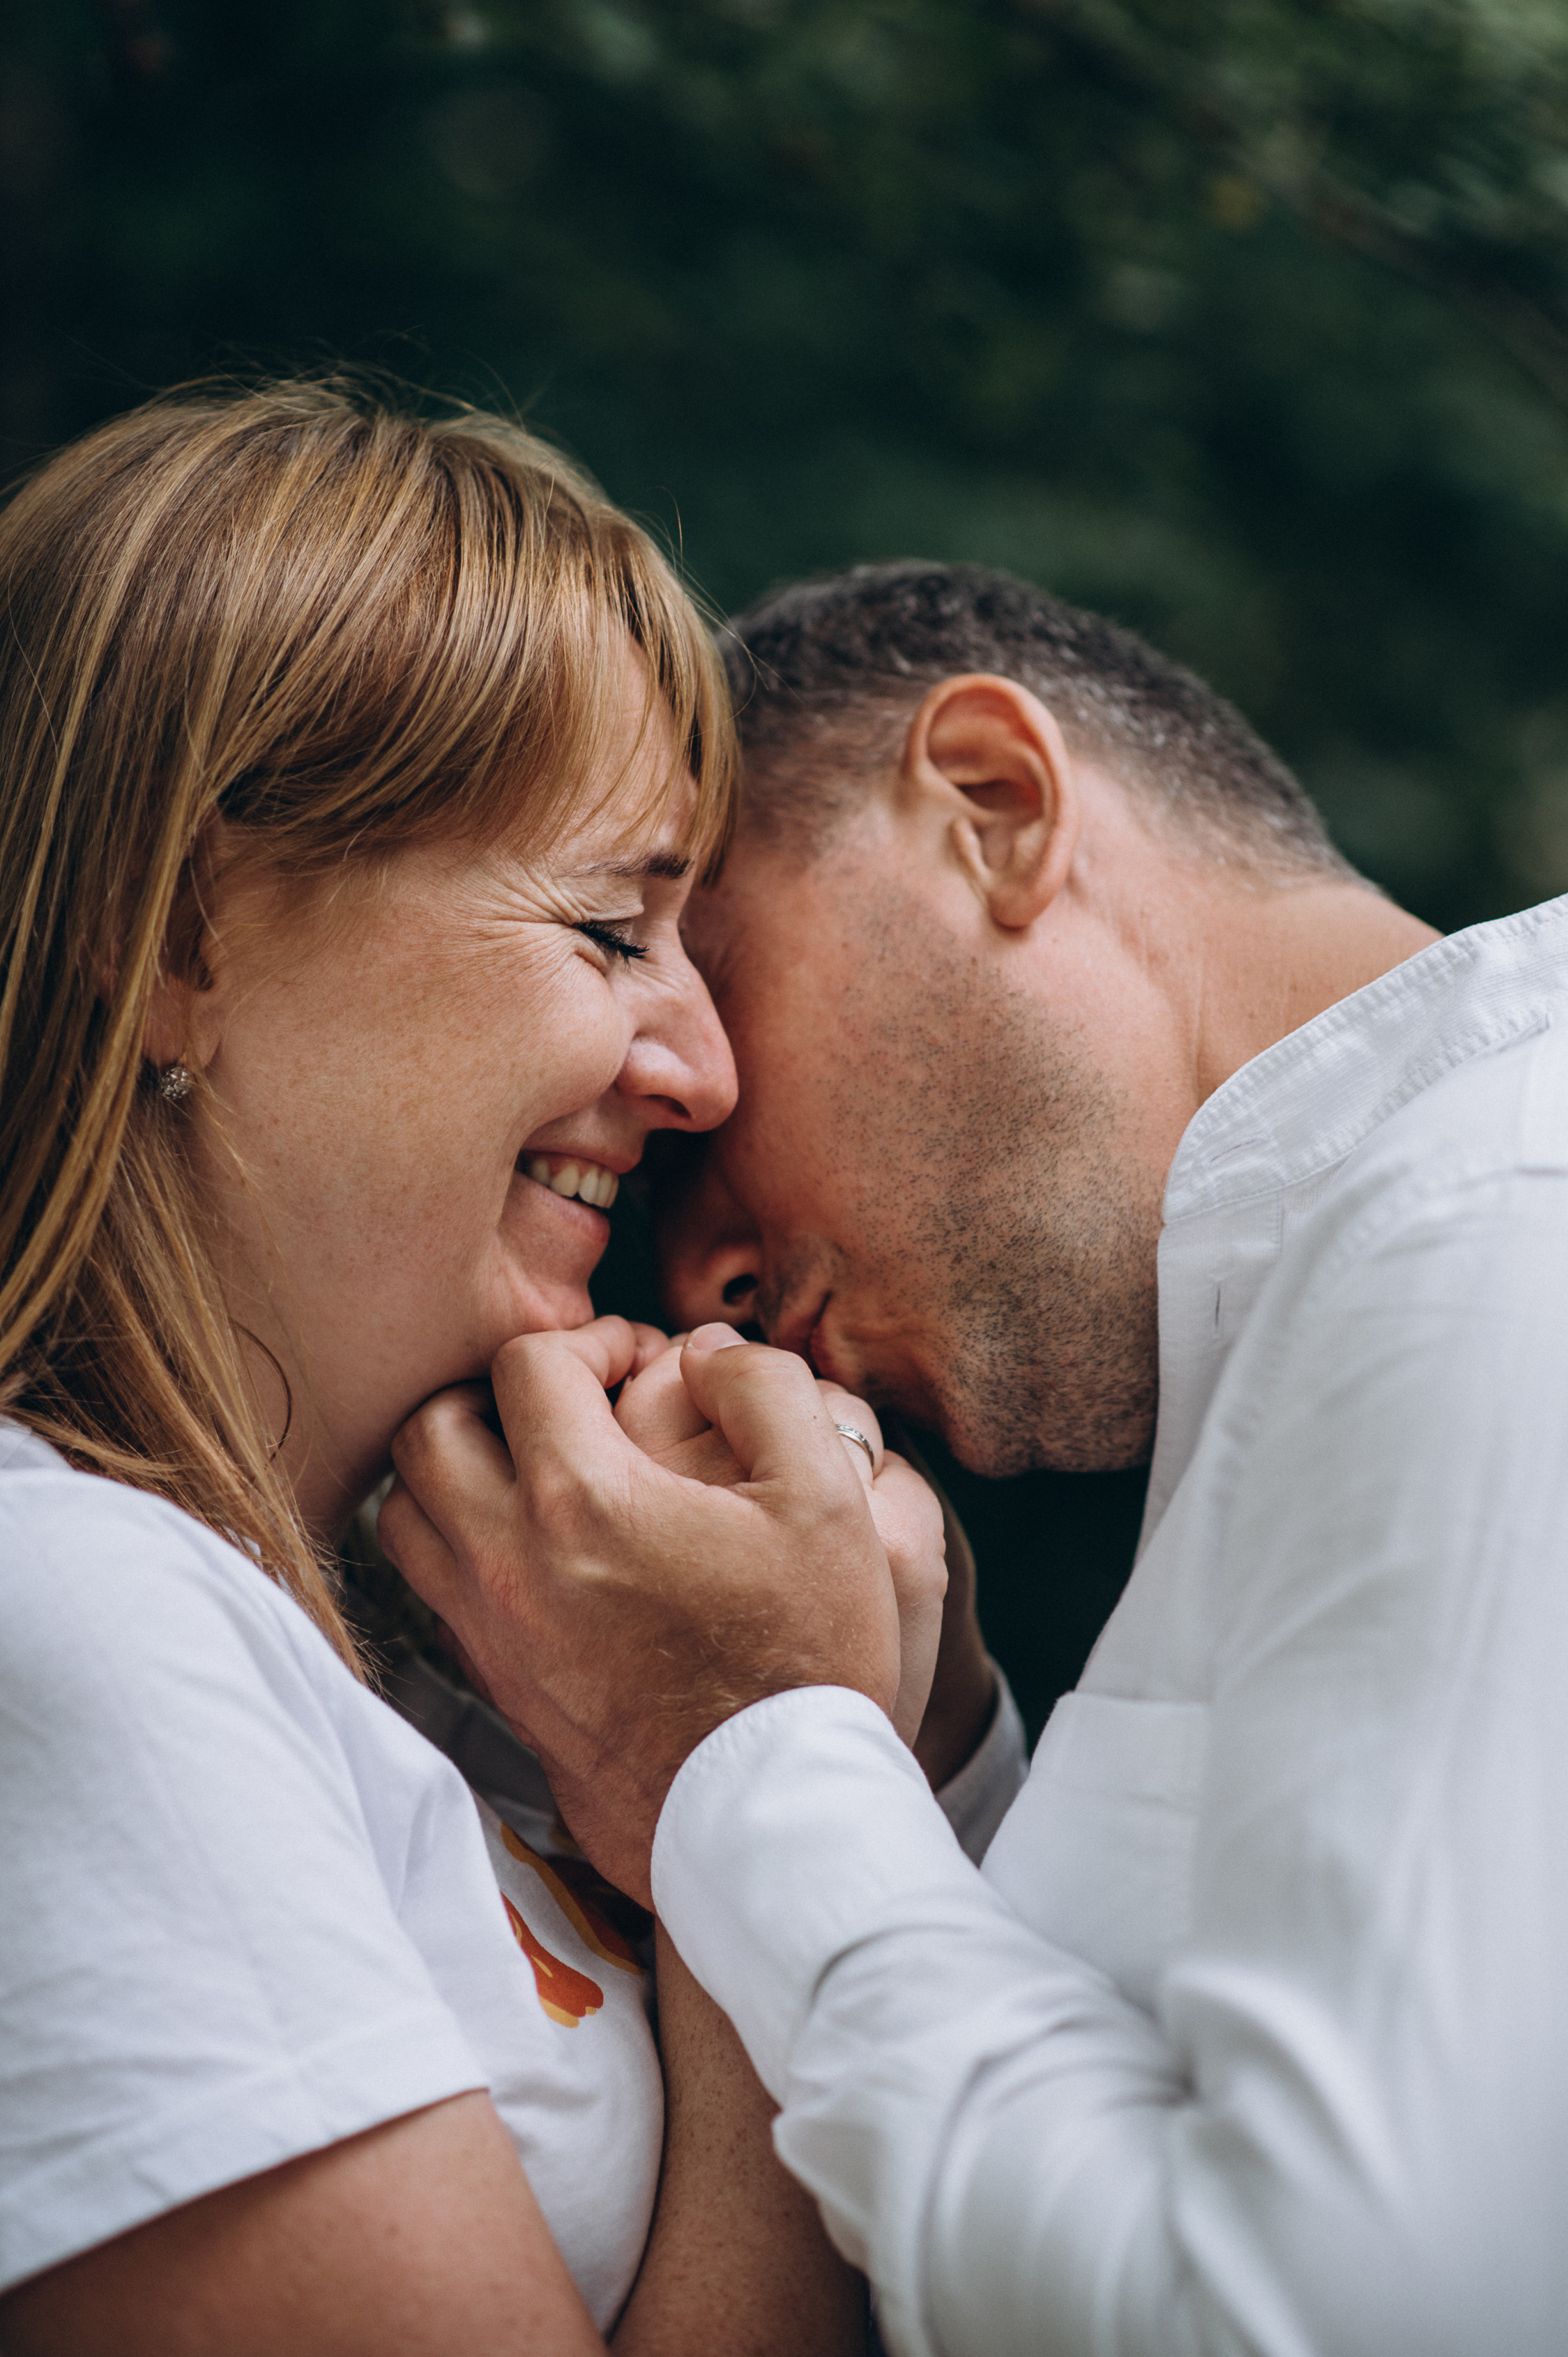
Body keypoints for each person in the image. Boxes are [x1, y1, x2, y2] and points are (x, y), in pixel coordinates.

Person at [382, 562, 1568, 2356]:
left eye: (712, 975)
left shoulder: (1486, 1222)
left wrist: (747, 1754)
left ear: (994, 807)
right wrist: (924, 1764)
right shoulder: (1377, 1285)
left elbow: (1321, 2320)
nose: (692, 1276)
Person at [0, 385, 919, 2357]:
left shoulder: (434, 1665)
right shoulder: (64, 1622)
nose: (706, 1071)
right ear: (176, 935)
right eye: (607, 926)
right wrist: (760, 1774)